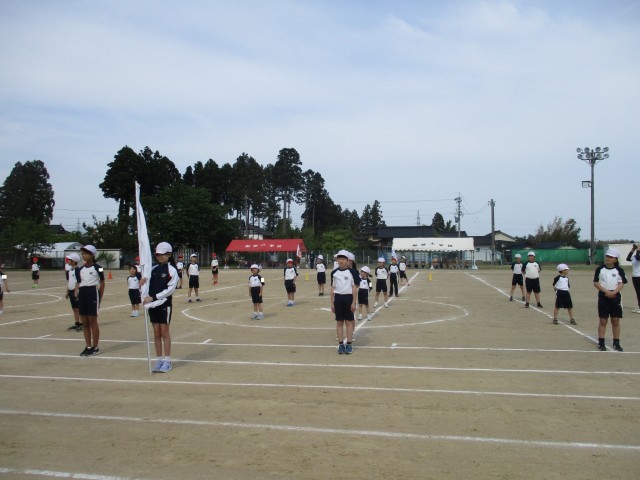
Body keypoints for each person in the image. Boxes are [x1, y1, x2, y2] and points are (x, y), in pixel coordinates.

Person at [142, 242, 178, 373]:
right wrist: (143, 281)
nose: (160, 257)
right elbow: (146, 283)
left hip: (164, 305)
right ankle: (159, 360)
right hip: (153, 305)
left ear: (169, 254)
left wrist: (154, 297)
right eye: (158, 254)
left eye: (162, 254)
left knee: (164, 333)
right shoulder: (153, 269)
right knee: (156, 333)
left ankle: (167, 361)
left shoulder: (172, 270)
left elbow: (170, 290)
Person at [74, 245, 105, 356]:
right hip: (82, 293)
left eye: (86, 253)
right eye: (82, 253)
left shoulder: (99, 268)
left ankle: (95, 347)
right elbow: (78, 282)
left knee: (92, 321)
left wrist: (100, 297)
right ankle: (88, 346)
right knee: (85, 322)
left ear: (92, 255)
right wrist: (76, 292)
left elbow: (102, 283)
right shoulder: (80, 269)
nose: (84, 255)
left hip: (92, 293)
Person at [594, 248, 627, 351]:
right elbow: (596, 283)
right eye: (607, 256)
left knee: (615, 320)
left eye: (611, 257)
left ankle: (616, 343)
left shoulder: (619, 270)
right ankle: (601, 343)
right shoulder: (600, 269)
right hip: (603, 296)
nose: (608, 258)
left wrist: (613, 292)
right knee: (603, 320)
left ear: (615, 259)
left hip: (615, 297)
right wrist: (606, 292)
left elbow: (621, 283)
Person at [331, 250, 359, 354]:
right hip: (338, 299)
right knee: (339, 322)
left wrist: (353, 302)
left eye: (343, 259)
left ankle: (349, 344)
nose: (341, 261)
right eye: (339, 259)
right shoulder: (334, 273)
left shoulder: (352, 272)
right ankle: (341, 344)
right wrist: (332, 302)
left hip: (348, 298)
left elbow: (354, 287)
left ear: (348, 261)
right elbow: (332, 288)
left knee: (348, 322)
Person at [64, 253, 82, 331]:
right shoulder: (70, 271)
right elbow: (69, 282)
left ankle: (82, 323)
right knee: (74, 308)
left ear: (74, 262)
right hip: (71, 291)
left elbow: (78, 281)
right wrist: (67, 291)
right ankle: (77, 322)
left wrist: (76, 292)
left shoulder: (77, 270)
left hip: (76, 291)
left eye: (70, 260)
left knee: (79, 308)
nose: (68, 261)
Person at [626, 244, 640, 313]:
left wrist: (638, 250)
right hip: (634, 276)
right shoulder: (634, 256)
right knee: (638, 292)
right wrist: (632, 250)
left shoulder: (638, 256)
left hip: (639, 276)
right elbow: (628, 258)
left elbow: (638, 258)